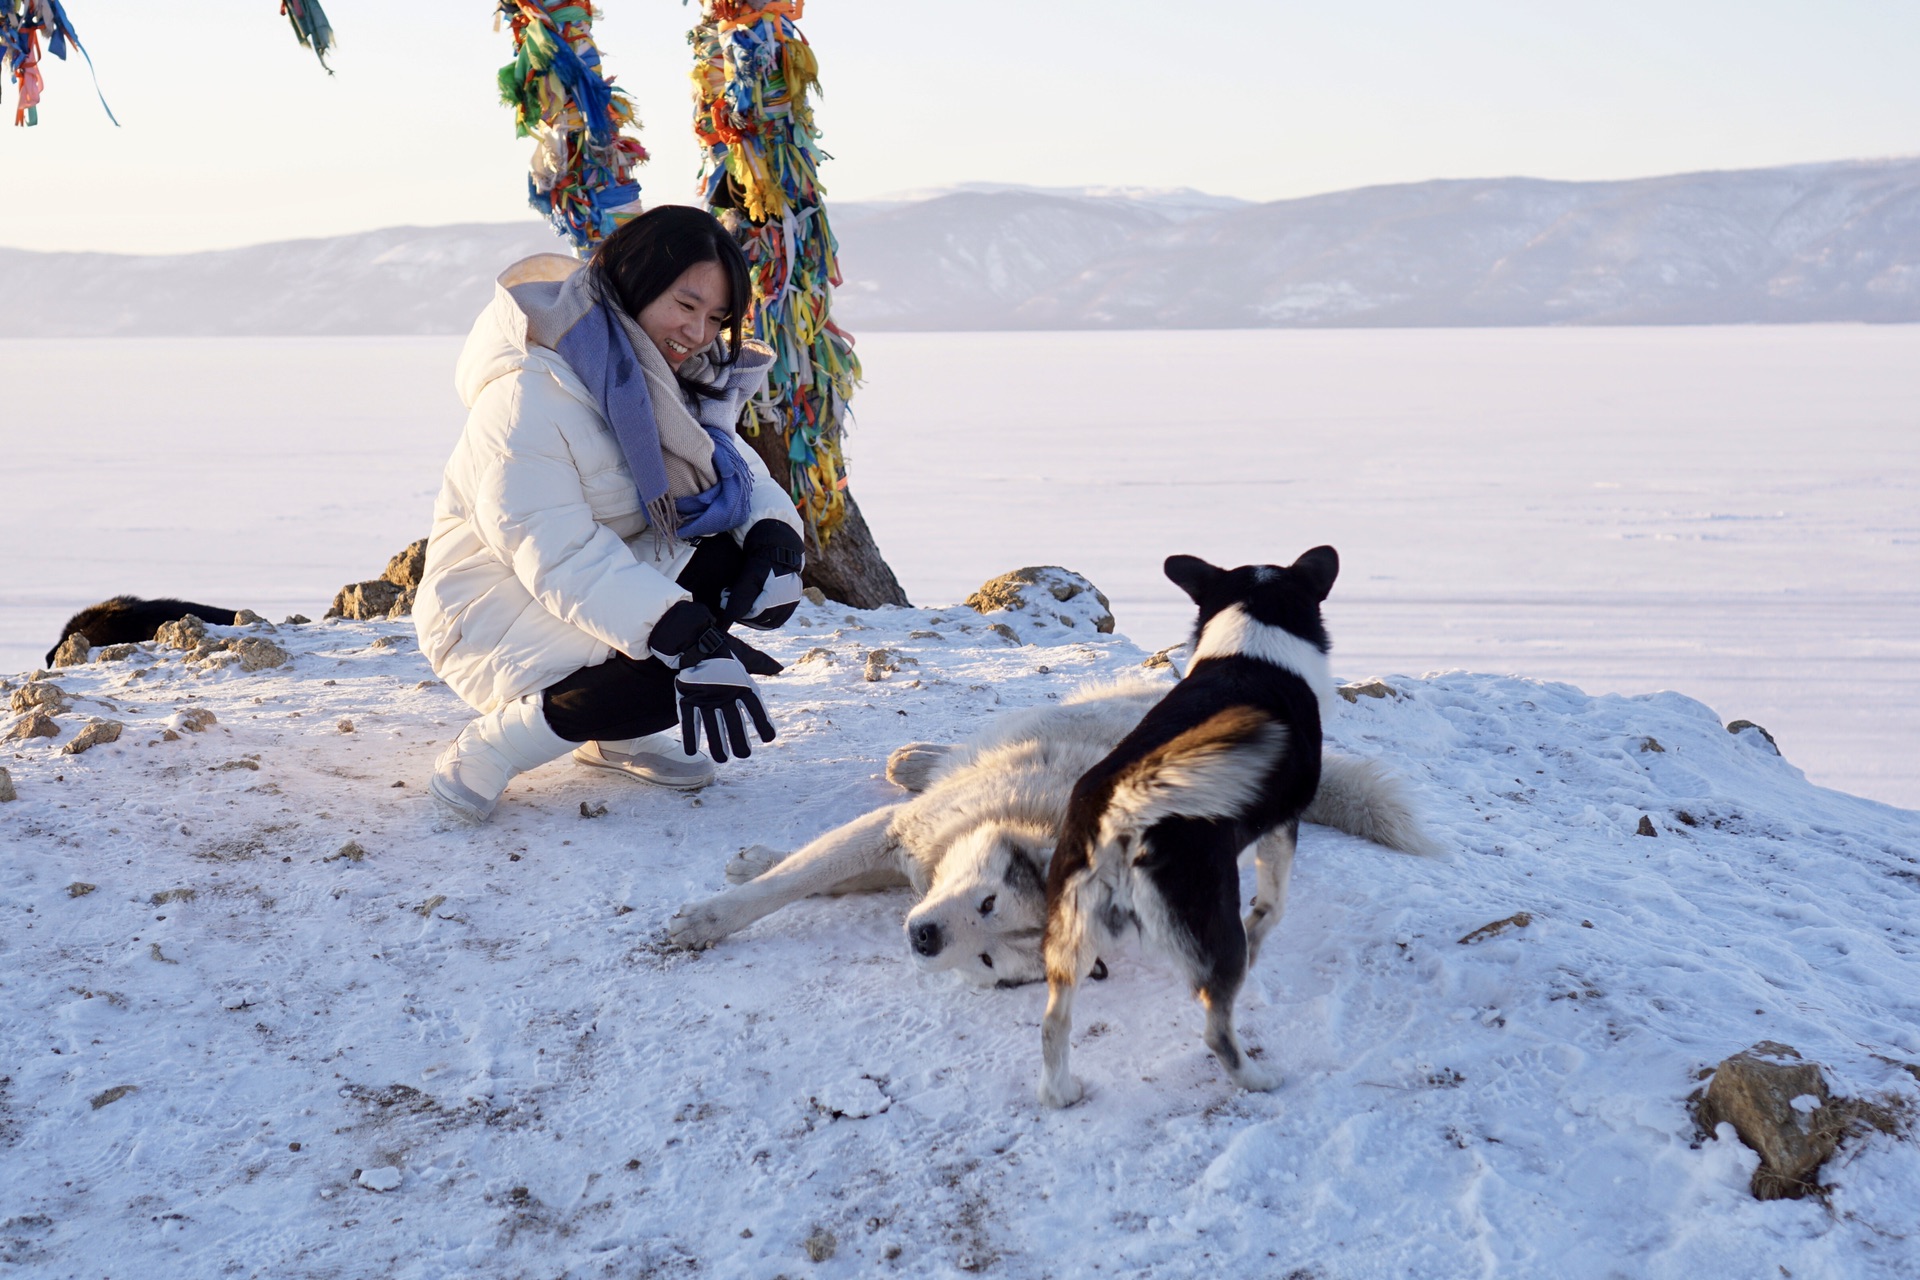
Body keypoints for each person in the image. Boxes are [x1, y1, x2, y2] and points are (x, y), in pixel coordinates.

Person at [414, 206, 807, 823]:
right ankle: (491, 746)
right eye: (686, 304)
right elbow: (558, 553)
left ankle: (610, 732)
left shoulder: (665, 379)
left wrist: (774, 536)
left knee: (727, 575)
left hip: (584, 587)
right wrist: (684, 636)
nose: (699, 333)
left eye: (717, 318)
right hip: (488, 612)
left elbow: (733, 467)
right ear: (634, 278)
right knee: (668, 664)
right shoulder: (529, 395)